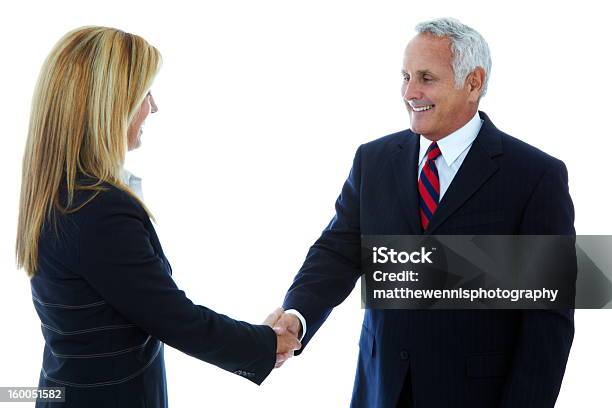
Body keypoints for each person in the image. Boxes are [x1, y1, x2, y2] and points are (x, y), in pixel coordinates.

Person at [271, 17, 575, 407]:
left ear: (473, 83)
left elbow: (548, 321)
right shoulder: (374, 160)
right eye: (405, 76)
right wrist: (296, 316)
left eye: (426, 78)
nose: (409, 92)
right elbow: (337, 252)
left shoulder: (535, 175)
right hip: (381, 389)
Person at [15, 26, 300, 408]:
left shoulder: (63, 194)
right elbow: (174, 318)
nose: (154, 106)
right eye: (146, 93)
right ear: (113, 103)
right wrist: (265, 343)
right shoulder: (98, 209)